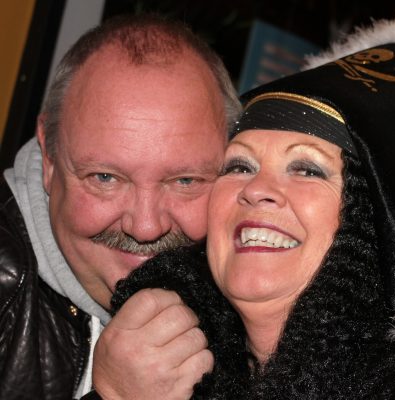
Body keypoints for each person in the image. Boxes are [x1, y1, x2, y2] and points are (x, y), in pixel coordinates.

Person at [96, 19, 395, 399]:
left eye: (306, 169)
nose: (256, 189)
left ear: (371, 221)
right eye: (239, 166)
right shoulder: (149, 375)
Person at [0, 13, 241, 400]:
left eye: (185, 181)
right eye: (105, 178)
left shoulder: (245, 305)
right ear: (50, 157)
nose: (145, 227)